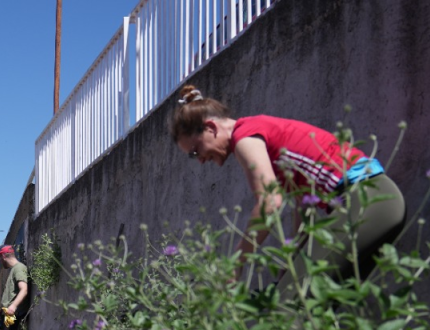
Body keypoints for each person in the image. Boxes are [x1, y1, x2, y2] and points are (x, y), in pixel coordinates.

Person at [169, 84, 405, 291]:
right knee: (303, 300)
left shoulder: (246, 137)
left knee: (290, 308)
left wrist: (236, 264)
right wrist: (290, 261)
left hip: (366, 201)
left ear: (210, 128)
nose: (199, 160)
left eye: (194, 151)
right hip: (373, 201)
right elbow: (305, 206)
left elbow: (270, 201)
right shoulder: (262, 136)